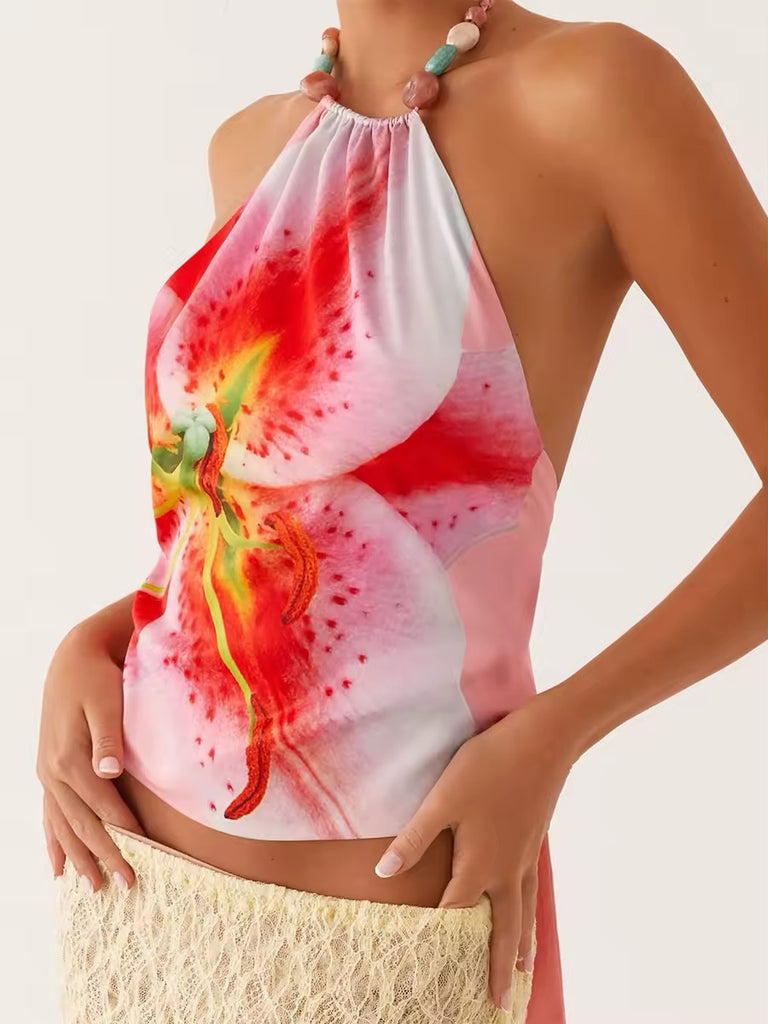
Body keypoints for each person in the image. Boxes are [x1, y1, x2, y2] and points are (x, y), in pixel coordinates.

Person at [37, 2, 767, 1022]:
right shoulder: (247, 147)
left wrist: (552, 736)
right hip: (137, 906)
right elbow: (226, 522)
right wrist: (94, 640)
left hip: (396, 941)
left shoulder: (594, 94)